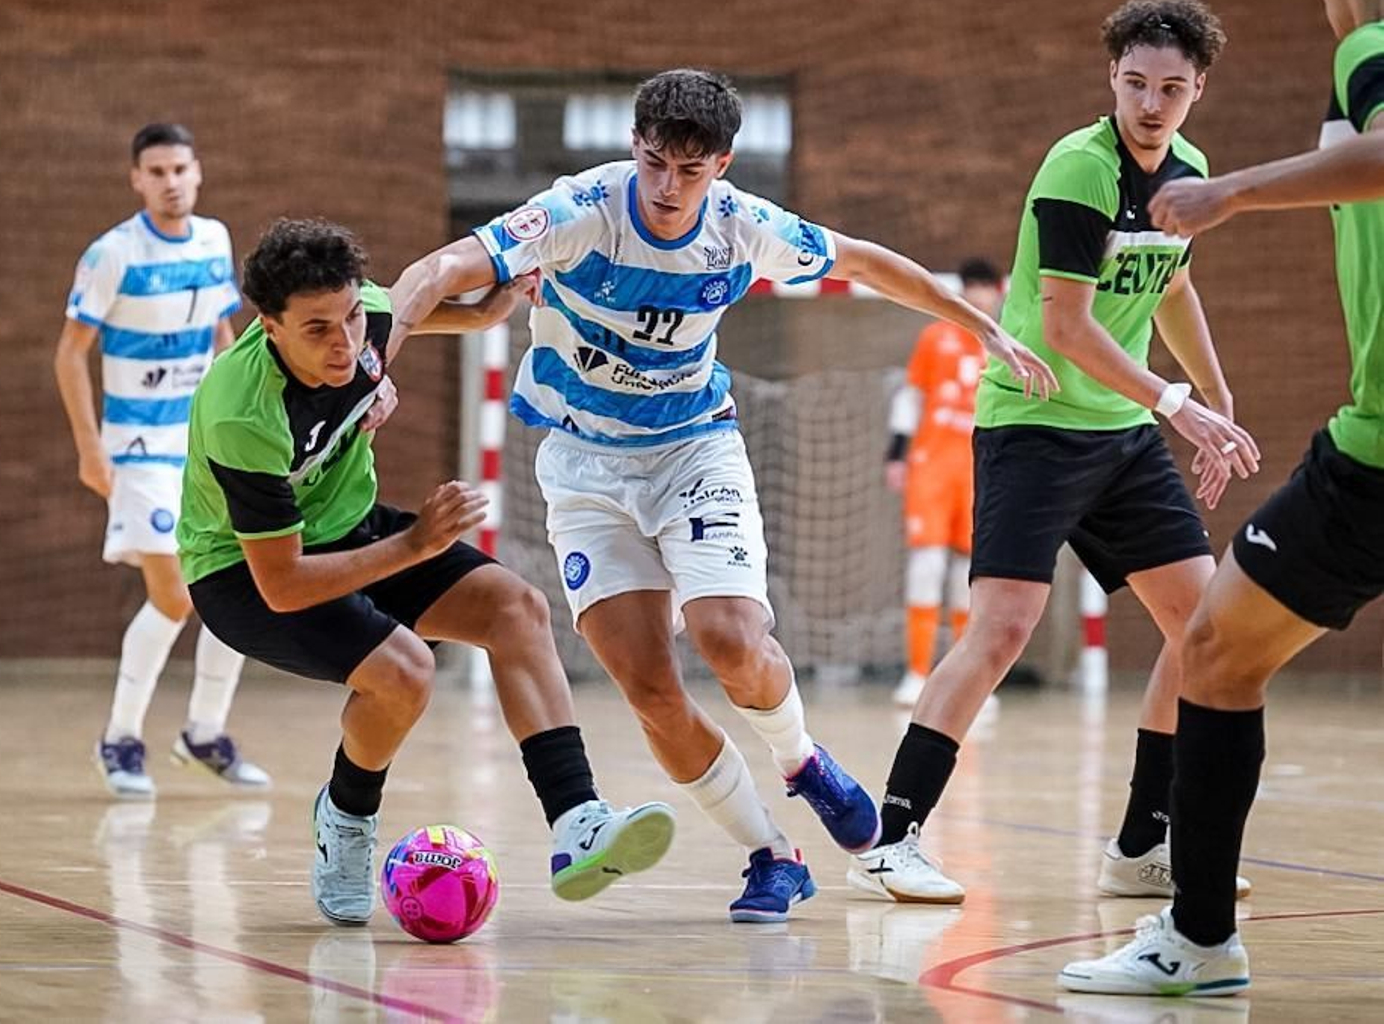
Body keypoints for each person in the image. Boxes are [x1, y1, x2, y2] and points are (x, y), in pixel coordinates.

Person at [388, 69, 1057, 921]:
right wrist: (379, 356)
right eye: (655, 163)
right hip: (585, 468)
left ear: (722, 166)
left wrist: (983, 327)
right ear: (634, 146)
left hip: (693, 449)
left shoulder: (743, 227)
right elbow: (442, 266)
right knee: (648, 688)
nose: (668, 187)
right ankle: (772, 854)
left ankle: (802, 759)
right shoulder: (579, 209)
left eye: (690, 171)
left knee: (730, 636)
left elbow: (865, 261)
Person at [847, 0, 1262, 905]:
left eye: (1171, 88)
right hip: (1034, 425)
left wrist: (1217, 394)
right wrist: (1175, 402)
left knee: (1203, 629)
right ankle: (892, 837)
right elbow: (1068, 328)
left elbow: (1172, 287)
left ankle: (1142, 843)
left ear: (1198, 89)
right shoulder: (1078, 169)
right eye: (1135, 82)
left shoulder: (1189, 170)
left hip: (1121, 436)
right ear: (1112, 76)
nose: (1150, 102)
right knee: (1001, 629)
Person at [179, 217, 676, 926]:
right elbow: (283, 585)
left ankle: (577, 821)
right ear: (269, 326)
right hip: (242, 574)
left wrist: (486, 310)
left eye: (351, 318)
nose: (344, 342)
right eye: (317, 329)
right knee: (406, 671)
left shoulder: (362, 323)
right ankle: (347, 816)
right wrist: (416, 544)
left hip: (347, 527)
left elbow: (412, 300)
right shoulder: (242, 414)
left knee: (517, 609)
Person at [1061, 0, 1384, 996]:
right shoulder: (1084, 166)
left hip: (1376, 454)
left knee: (1211, 649)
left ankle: (1196, 936)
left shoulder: (1370, 48)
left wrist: (1233, 193)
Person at [54, 122, 269, 798]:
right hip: (138, 448)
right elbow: (69, 354)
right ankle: (119, 738)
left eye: (180, 169)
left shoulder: (214, 239)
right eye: (157, 172)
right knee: (174, 595)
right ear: (137, 180)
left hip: (203, 442)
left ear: (197, 172)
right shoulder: (112, 253)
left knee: (241, 591)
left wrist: (245, 420)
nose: (170, 182)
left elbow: (222, 334)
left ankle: (204, 733)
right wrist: (89, 447)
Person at [885, 258, 1003, 708]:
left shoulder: (1006, 343)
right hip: (932, 465)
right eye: (971, 285)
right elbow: (911, 397)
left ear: (998, 292)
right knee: (927, 566)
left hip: (979, 470)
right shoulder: (936, 337)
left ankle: (967, 682)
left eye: (985, 286)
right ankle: (916, 673)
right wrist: (896, 453)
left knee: (969, 578)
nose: (978, 294)